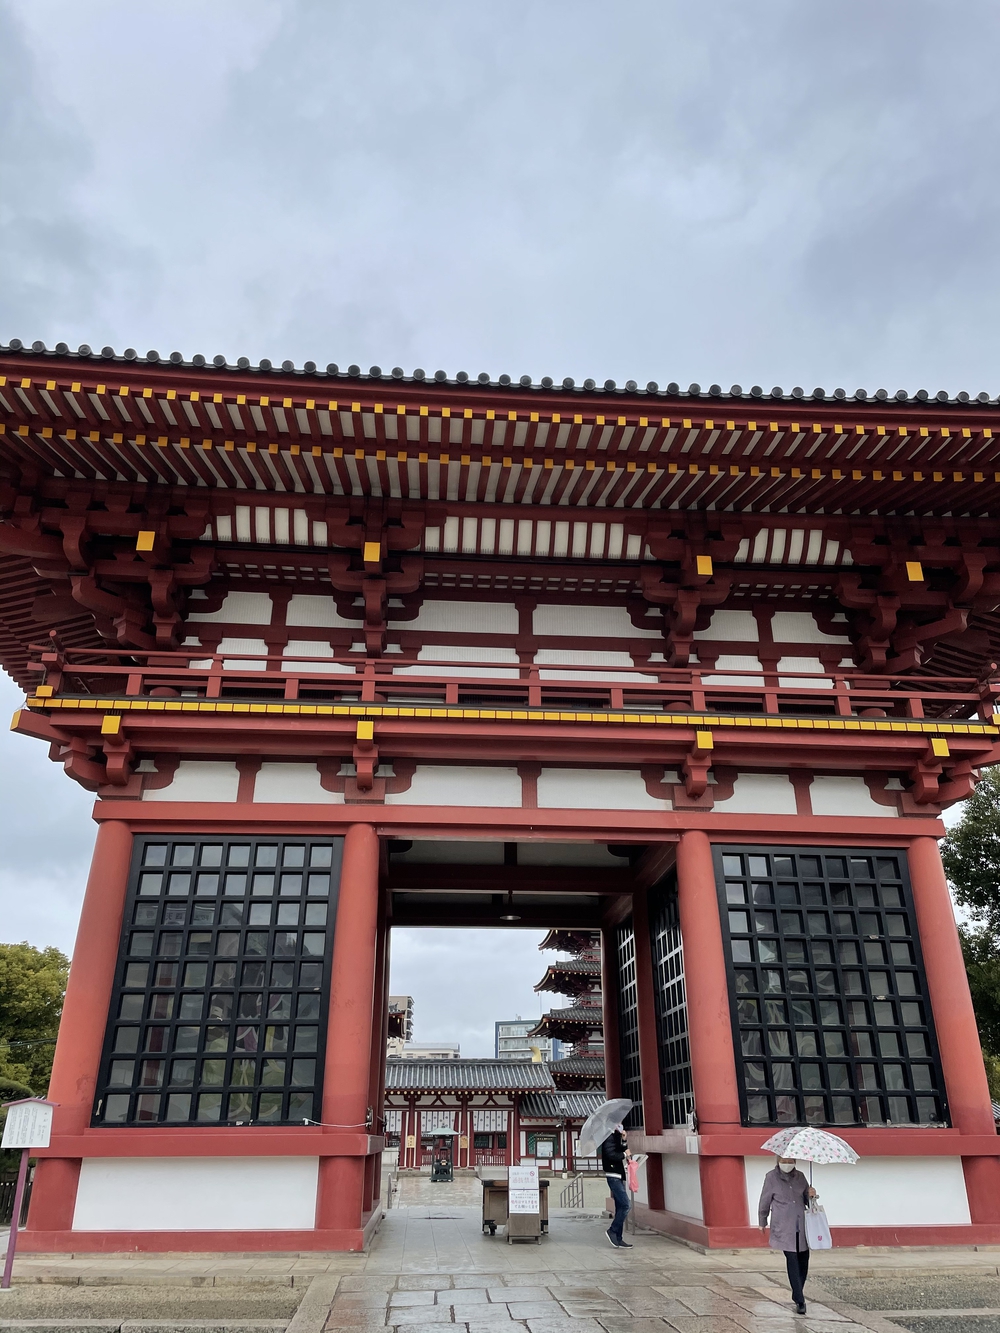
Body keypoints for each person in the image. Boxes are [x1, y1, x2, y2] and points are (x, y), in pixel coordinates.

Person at [758, 1156, 817, 1314]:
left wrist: (811, 1194)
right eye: (784, 1161)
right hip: (783, 1225)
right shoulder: (771, 1177)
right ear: (778, 1161)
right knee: (792, 1259)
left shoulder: (801, 1177)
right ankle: (800, 1299)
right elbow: (764, 1200)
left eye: (791, 1161)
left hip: (800, 1224)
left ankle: (797, 1291)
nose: (787, 1164)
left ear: (795, 1163)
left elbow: (806, 1200)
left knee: (803, 1259)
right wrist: (762, 1220)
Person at [600, 1123, 633, 1249]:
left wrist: (624, 1140)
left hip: (618, 1175)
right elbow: (611, 1155)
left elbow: (621, 1149)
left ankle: (618, 1238)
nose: (619, 1125)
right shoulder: (608, 1136)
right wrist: (625, 1155)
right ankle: (612, 1230)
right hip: (613, 1175)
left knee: (620, 1206)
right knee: (626, 1205)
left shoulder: (615, 1136)